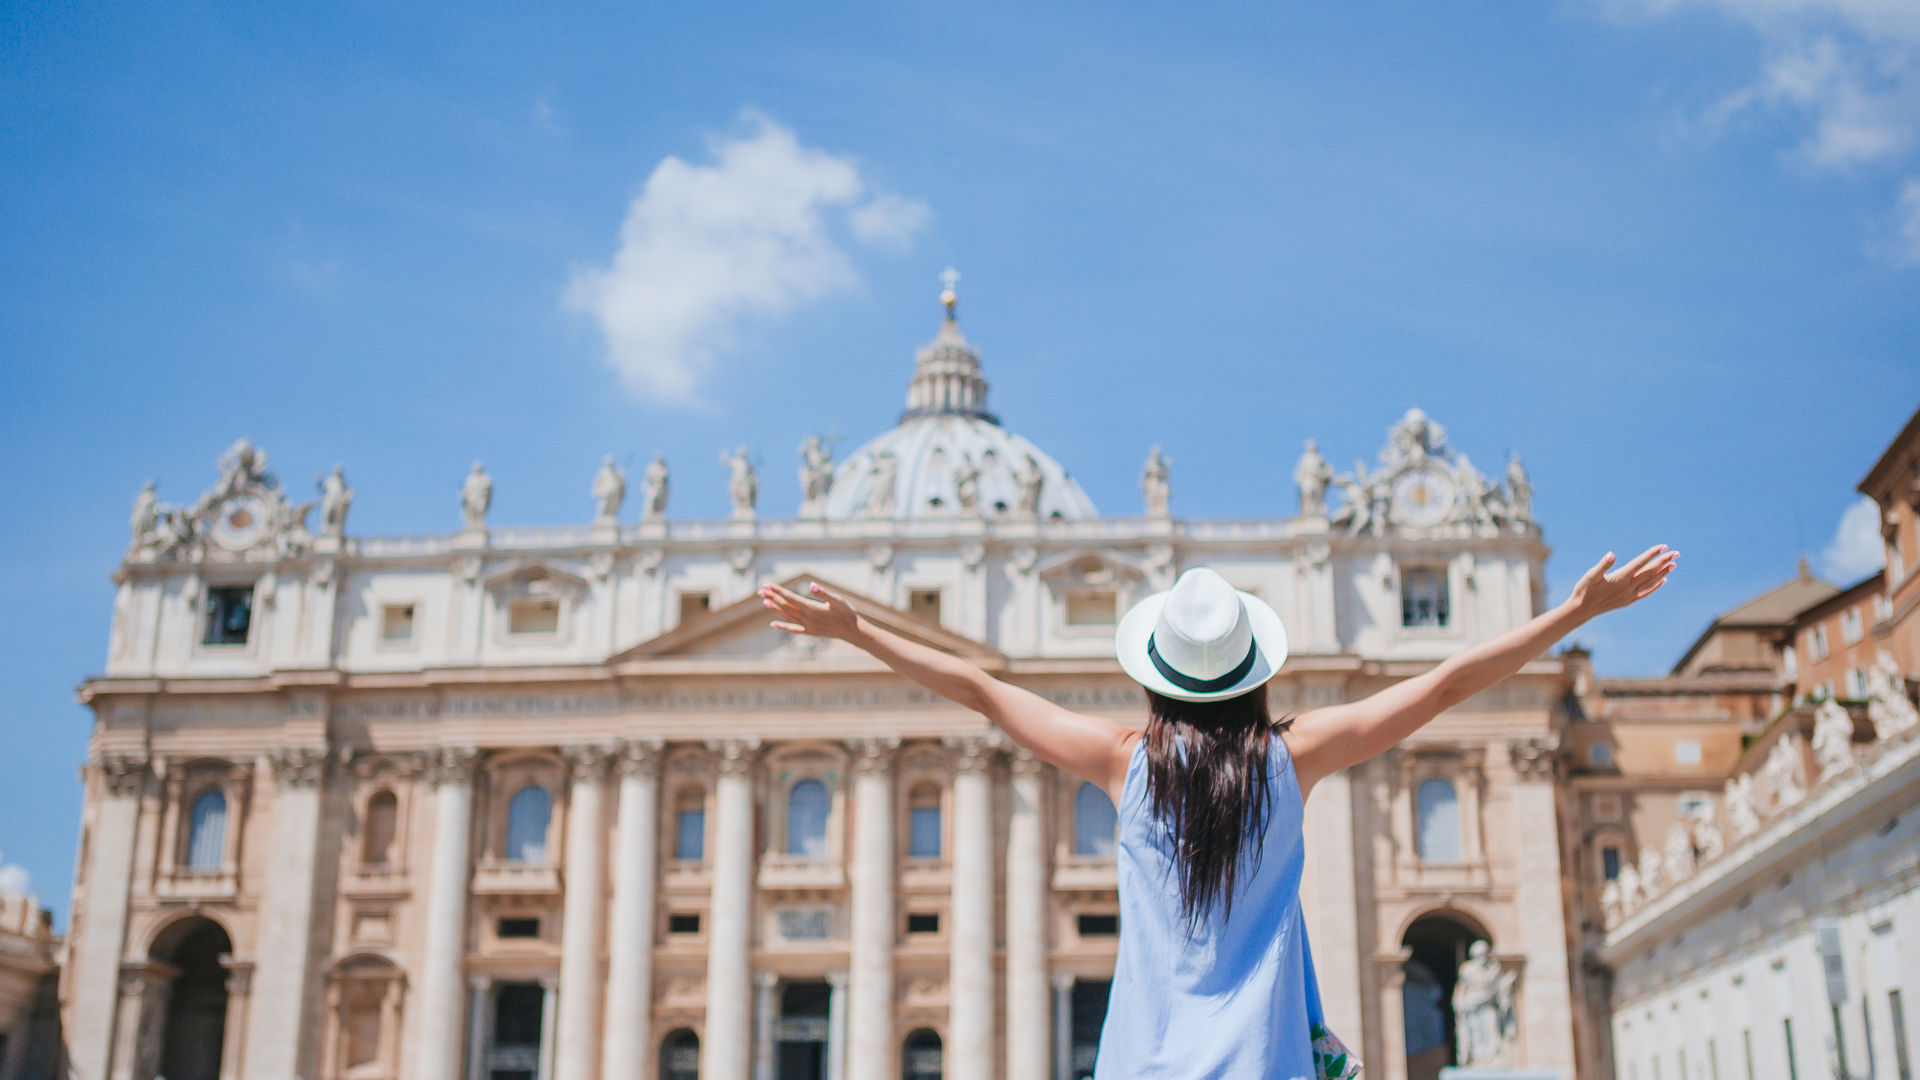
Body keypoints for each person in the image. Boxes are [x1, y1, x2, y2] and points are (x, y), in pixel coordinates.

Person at [759, 544, 1677, 1079]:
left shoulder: (1124, 765)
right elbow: (1443, 686)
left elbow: (981, 691)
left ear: (1155, 675)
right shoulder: (1294, 756)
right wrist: (1569, 614)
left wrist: (856, 631)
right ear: (1254, 674)